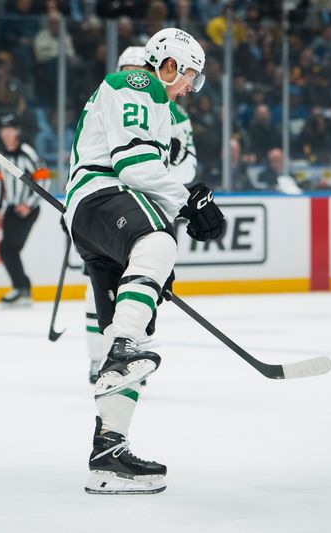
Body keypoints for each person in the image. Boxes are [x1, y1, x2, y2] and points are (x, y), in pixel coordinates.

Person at [65, 28, 224, 494]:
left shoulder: (158, 104)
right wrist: (188, 202)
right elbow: (133, 168)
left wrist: (183, 205)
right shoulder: (140, 86)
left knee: (138, 320)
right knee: (158, 243)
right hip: (104, 199)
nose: (187, 91)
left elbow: (149, 172)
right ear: (169, 64)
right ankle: (119, 349)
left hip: (104, 213)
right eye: (188, 79)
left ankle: (109, 455)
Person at [80, 45, 200, 384]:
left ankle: (112, 427)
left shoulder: (174, 112)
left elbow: (187, 163)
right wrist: (184, 202)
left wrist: (172, 181)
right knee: (106, 294)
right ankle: (108, 352)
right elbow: (114, 160)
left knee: (140, 300)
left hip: (148, 205)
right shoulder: (123, 89)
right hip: (115, 204)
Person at [0, 113, 50, 306]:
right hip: (10, 208)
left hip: (27, 209)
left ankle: (21, 288)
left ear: (17, 131)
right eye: (3, 129)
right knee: (10, 249)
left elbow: (44, 179)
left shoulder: (28, 152)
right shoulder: (0, 155)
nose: (7, 133)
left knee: (6, 248)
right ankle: (23, 288)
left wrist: (29, 204)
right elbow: (0, 183)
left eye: (10, 129)